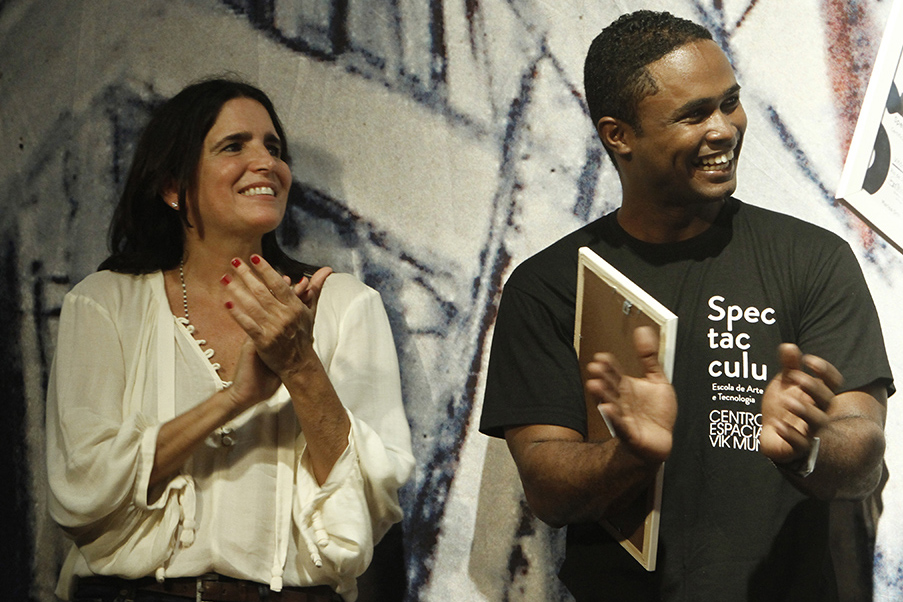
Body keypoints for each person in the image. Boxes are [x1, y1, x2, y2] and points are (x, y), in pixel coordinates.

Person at [479, 10, 893, 601]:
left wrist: (810, 446)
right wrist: (629, 457)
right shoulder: (549, 286)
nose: (724, 129)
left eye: (730, 103)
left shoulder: (813, 259)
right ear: (618, 135)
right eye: (694, 114)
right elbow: (547, 489)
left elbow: (865, 455)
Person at [45, 78, 413, 602]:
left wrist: (300, 366)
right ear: (173, 187)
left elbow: (367, 505)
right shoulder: (104, 303)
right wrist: (234, 399)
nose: (266, 163)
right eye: (234, 146)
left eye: (274, 148)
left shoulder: (344, 304)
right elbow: (83, 487)